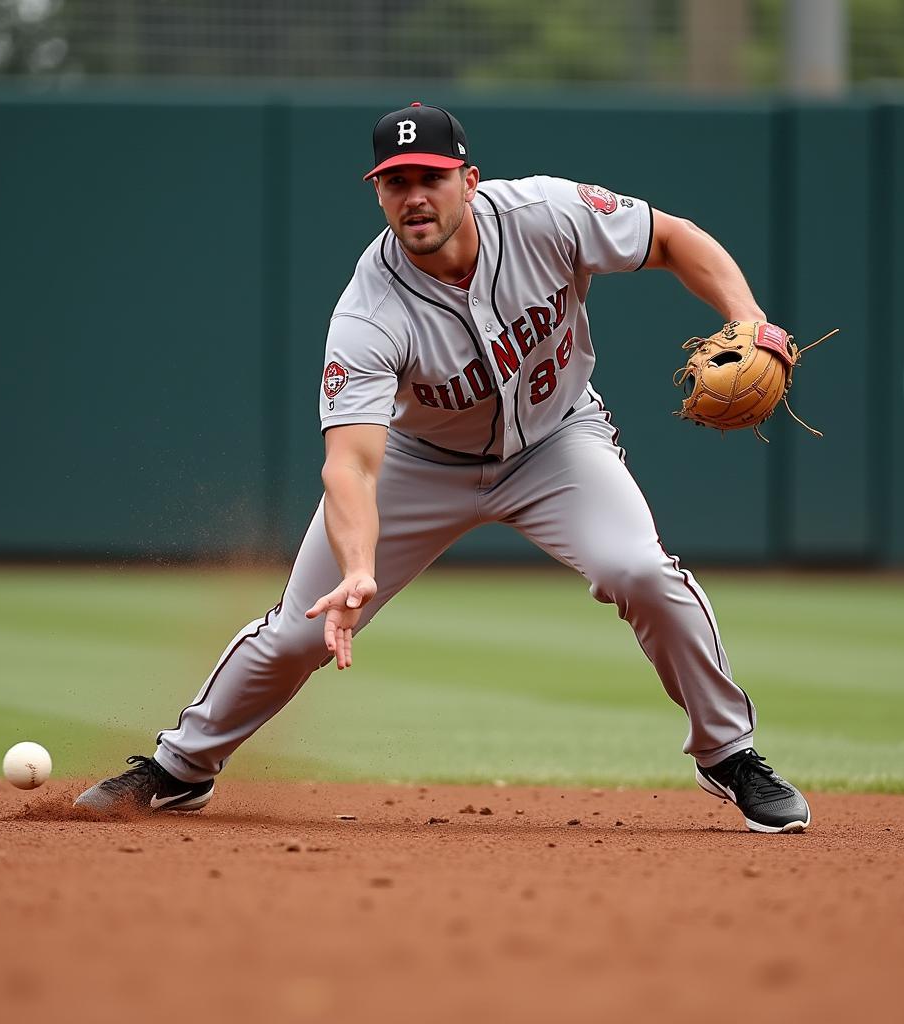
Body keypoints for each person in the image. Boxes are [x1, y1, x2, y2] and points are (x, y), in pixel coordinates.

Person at [75, 102, 810, 833]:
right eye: (395, 182)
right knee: (302, 630)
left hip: (558, 444)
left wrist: (750, 321)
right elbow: (351, 468)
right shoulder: (368, 312)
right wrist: (358, 566)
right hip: (421, 463)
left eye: (431, 176)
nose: (414, 196)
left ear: (470, 179)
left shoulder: (545, 213)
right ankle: (181, 768)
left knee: (641, 573)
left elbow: (673, 239)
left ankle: (729, 755)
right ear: (377, 192)